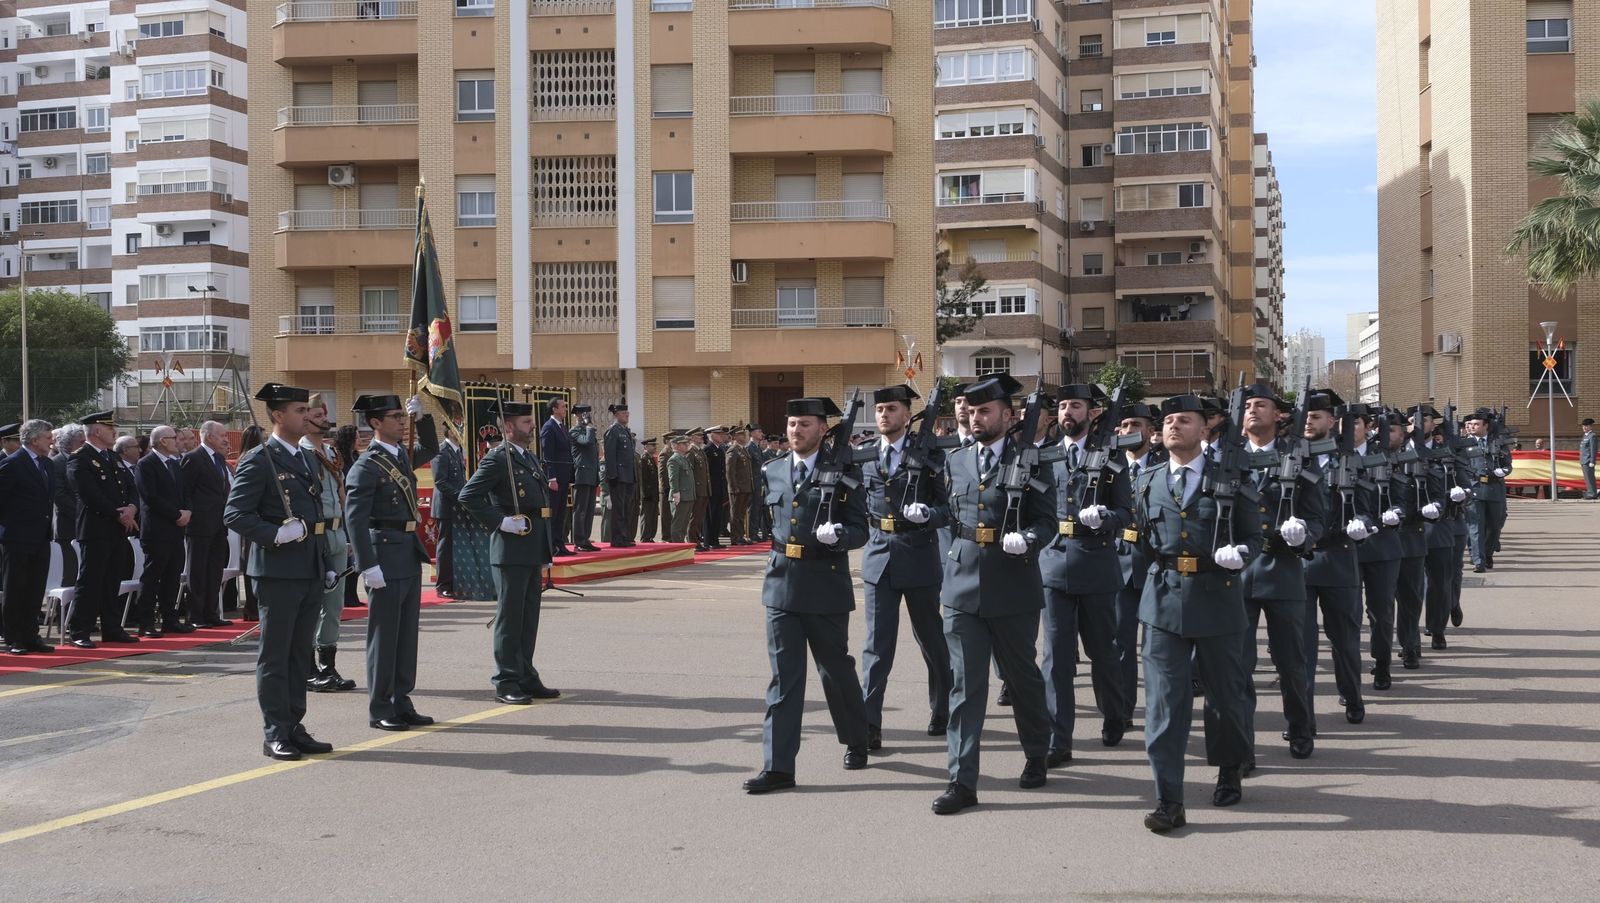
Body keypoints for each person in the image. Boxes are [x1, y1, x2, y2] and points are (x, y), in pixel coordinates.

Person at [1133, 394, 1262, 833]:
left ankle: (1229, 769)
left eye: (1184, 420)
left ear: (1204, 430)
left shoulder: (1232, 477)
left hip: (1218, 596)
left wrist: (1241, 553)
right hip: (1163, 600)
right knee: (1165, 704)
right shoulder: (1148, 479)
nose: (1173, 426)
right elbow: (1142, 539)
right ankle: (1169, 797)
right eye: (1167, 420)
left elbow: (1253, 535)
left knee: (1226, 698)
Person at [932, 374, 1056, 815]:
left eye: (986, 411)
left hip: (1013, 584)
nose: (976, 417)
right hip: (962, 584)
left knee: (1022, 679)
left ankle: (1038, 752)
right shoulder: (957, 461)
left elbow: (1049, 522)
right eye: (972, 410)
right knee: (966, 687)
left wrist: (1030, 538)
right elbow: (950, 513)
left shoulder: (1035, 462)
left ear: (1008, 416)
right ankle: (962, 780)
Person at [742, 397, 871, 795]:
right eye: (792, 423)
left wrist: (841, 538)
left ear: (823, 430)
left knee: (835, 669)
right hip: (781, 583)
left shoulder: (846, 472)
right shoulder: (772, 469)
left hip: (825, 581)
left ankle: (856, 738)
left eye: (805, 424)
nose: (796, 431)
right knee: (784, 678)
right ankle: (778, 766)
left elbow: (860, 529)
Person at [224, 383, 336, 761]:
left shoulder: (305, 457)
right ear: (277, 416)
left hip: (308, 568)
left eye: (307, 410)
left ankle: (293, 724)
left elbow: (315, 516)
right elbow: (235, 514)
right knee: (275, 654)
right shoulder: (260, 459)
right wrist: (274, 533)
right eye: (299, 410)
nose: (307, 416)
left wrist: (326, 563)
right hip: (278, 570)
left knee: (299, 652)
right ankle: (275, 731)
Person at [1226, 384, 1323, 768]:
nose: (1252, 411)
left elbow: (1317, 516)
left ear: (1279, 415)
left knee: (1291, 660)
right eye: (1247, 405)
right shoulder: (1226, 457)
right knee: (1238, 663)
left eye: (1260, 405)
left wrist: (1304, 536)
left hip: (1282, 569)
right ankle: (1241, 743)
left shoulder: (1298, 458)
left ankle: (1300, 726)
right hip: (1237, 570)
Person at [1039, 384, 1135, 764]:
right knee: (1056, 657)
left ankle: (1113, 714)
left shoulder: (1112, 457)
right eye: (1062, 406)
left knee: (1103, 653)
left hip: (1096, 564)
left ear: (1091, 413)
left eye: (1075, 406)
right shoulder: (1045, 456)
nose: (1067, 412)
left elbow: (1127, 513)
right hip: (1052, 564)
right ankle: (1058, 738)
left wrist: (1106, 518)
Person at [858, 385, 952, 750]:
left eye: (891, 409)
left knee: (931, 640)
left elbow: (949, 510)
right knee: (877, 647)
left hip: (919, 553)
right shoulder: (864, 456)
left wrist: (928, 515)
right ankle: (869, 724)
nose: (883, 415)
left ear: (907, 415)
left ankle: (942, 708)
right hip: (879, 556)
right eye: (879, 409)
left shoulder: (930, 457)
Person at [459, 399, 560, 704]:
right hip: (510, 547)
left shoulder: (526, 457)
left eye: (530, 421)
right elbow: (469, 496)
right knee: (510, 617)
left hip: (530, 545)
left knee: (528, 617)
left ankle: (526, 674)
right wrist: (500, 521)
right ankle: (505, 680)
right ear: (507, 427)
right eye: (526, 423)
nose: (531, 427)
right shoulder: (497, 459)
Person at [347, 394, 437, 730]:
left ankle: (402, 700)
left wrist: (423, 419)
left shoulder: (399, 457)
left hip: (407, 551)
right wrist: (367, 566)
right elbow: (355, 520)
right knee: (384, 637)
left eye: (404, 415)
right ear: (375, 423)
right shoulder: (366, 466)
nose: (402, 421)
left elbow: (431, 450)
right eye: (396, 416)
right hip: (383, 555)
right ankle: (381, 706)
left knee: (405, 636)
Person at [1300, 392, 1374, 727]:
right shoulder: (1292, 459)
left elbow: (1368, 506)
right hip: (1299, 561)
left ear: (1332, 422)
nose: (1308, 422)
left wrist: (1363, 524)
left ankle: (1352, 694)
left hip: (1338, 557)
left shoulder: (1350, 460)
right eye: (1305, 416)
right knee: (1300, 646)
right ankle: (1302, 715)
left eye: (1316, 416)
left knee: (1344, 639)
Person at [65, 411, 140, 648]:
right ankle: (79, 630)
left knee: (112, 580)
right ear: (97, 430)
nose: (114, 432)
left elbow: (131, 486)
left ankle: (112, 628)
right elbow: (89, 495)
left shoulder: (112, 457)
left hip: (118, 529)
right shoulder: (80, 458)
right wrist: (119, 514)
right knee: (91, 581)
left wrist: (131, 508)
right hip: (96, 529)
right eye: (110, 428)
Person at [300, 396, 357, 693]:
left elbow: (342, 495)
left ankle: (328, 665)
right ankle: (308, 668)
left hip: (336, 533)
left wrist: (347, 536)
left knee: (334, 606)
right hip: (315, 534)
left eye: (325, 413)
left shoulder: (332, 451)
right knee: (313, 603)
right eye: (317, 414)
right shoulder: (302, 452)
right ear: (304, 419)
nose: (325, 418)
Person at [1113, 402, 1161, 729]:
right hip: (1119, 567)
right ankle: (1123, 710)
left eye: (1135, 425)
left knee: (1158, 649)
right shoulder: (1108, 466)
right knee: (1121, 646)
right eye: (1124, 425)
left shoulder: (1165, 464)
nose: (1128, 431)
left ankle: (1162, 710)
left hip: (1156, 568)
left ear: (1150, 431)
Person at [1353, 408, 1403, 692]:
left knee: (1381, 611)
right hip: (1344, 547)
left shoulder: (1384, 454)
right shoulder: (1328, 456)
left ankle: (1382, 663)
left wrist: (1396, 511)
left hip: (1381, 545)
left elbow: (1401, 495)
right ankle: (1348, 675)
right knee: (1348, 614)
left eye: (1354, 422)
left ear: (1366, 426)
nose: (1347, 428)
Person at [2, 419, 58, 655]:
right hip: (17, 537)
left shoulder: (46, 464)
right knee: (16, 588)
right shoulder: (12, 464)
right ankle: (14, 637)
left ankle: (30, 634)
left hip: (40, 536)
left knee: (35, 588)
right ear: (34, 440)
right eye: (47, 437)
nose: (51, 441)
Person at [133, 425, 195, 637]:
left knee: (172, 575)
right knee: (152, 576)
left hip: (176, 531)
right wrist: (176, 514)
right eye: (174, 438)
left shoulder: (175, 464)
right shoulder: (146, 464)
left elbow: (185, 491)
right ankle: (146, 622)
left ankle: (170, 619)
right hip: (157, 530)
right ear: (162, 441)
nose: (178, 441)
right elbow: (150, 497)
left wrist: (187, 510)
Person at [182, 421, 234, 629]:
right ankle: (196, 615)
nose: (225, 439)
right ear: (209, 436)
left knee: (214, 570)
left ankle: (211, 613)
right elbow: (184, 490)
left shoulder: (219, 459)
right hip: (199, 524)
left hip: (219, 524)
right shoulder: (193, 458)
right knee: (197, 571)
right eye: (221, 435)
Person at [1462, 409, 1510, 572]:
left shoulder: (1498, 442)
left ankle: (1488, 553)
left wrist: (1503, 471)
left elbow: (1507, 464)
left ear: (1486, 426)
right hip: (1474, 488)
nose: (1473, 427)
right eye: (1471, 424)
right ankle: (1478, 561)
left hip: (1494, 488)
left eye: (1477, 424)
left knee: (1494, 526)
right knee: (1475, 526)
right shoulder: (1464, 444)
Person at [430, 427, 466, 597]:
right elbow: (440, 482)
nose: (462, 430)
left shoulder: (457, 450)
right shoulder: (442, 451)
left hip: (456, 506)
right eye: (458, 427)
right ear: (449, 431)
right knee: (445, 546)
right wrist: (461, 496)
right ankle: (443, 585)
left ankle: (454, 582)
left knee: (455, 546)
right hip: (445, 506)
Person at [539, 398, 575, 556]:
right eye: (563, 407)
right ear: (554, 409)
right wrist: (551, 478)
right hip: (555, 478)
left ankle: (560, 544)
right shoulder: (549, 427)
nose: (565, 409)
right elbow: (548, 455)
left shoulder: (563, 427)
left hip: (564, 476)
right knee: (553, 513)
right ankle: (551, 545)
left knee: (561, 513)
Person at [603, 403, 637, 548]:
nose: (627, 415)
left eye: (627, 413)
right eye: (624, 413)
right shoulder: (613, 431)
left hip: (628, 475)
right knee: (618, 509)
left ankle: (624, 536)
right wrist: (612, 476)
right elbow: (610, 456)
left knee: (626, 508)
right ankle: (617, 539)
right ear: (616, 415)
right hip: (618, 476)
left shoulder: (626, 431)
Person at [568, 404, 600, 552]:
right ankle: (579, 540)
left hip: (591, 475)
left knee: (589, 509)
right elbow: (586, 442)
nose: (586, 417)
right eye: (582, 415)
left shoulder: (590, 431)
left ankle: (586, 539)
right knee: (580, 510)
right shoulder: (574, 431)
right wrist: (589, 427)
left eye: (587, 414)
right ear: (576, 416)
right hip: (581, 474)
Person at [51, 424, 86, 543]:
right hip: (68, 527)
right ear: (69, 443)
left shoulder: (85, 460)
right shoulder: (55, 464)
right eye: (82, 442)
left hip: (88, 526)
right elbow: (59, 496)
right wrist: (82, 513)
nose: (85, 445)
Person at [725, 425, 753, 546]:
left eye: (744, 434)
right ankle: (735, 537)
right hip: (738, 488)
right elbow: (730, 471)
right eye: (741, 434)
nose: (744, 436)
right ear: (735, 436)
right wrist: (733, 487)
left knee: (741, 513)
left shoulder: (743, 449)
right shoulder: (733, 450)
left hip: (745, 487)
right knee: (736, 514)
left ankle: (740, 535)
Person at [666, 433, 696, 542]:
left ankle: (681, 544)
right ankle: (676, 546)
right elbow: (673, 478)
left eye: (686, 443)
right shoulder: (674, 460)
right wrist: (675, 493)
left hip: (688, 496)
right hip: (680, 496)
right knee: (678, 524)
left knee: (684, 523)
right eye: (683, 443)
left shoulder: (684, 458)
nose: (687, 445)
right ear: (676, 446)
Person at [705, 426, 730, 547]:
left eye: (722, 434)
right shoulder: (708, 450)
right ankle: (709, 540)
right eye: (719, 434)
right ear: (712, 436)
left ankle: (715, 540)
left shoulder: (719, 450)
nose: (722, 437)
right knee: (711, 514)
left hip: (719, 487)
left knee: (717, 515)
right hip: (712, 488)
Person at [687, 428, 710, 549]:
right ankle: (693, 541)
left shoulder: (700, 451)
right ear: (691, 438)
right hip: (696, 489)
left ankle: (697, 540)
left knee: (699, 517)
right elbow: (689, 473)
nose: (701, 437)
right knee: (694, 517)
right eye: (698, 436)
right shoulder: (691, 451)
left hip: (703, 489)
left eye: (701, 436)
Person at [636, 437, 659, 542]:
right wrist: (644, 494)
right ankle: (645, 537)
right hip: (647, 494)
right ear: (645, 447)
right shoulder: (644, 459)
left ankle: (650, 536)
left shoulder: (650, 459)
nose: (654, 447)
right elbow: (642, 478)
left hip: (653, 493)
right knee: (647, 516)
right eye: (652, 445)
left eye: (655, 445)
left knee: (653, 516)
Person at [1581, 418, 1597, 500]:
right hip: (1584, 460)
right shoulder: (1585, 436)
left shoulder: (1592, 436)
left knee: (1590, 478)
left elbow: (1593, 449)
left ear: (1591, 426)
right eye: (1583, 426)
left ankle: (1592, 494)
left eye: (1586, 426)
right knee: (1587, 478)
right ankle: (1590, 492)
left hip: (1588, 461)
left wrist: (1592, 461)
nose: (1584, 427)